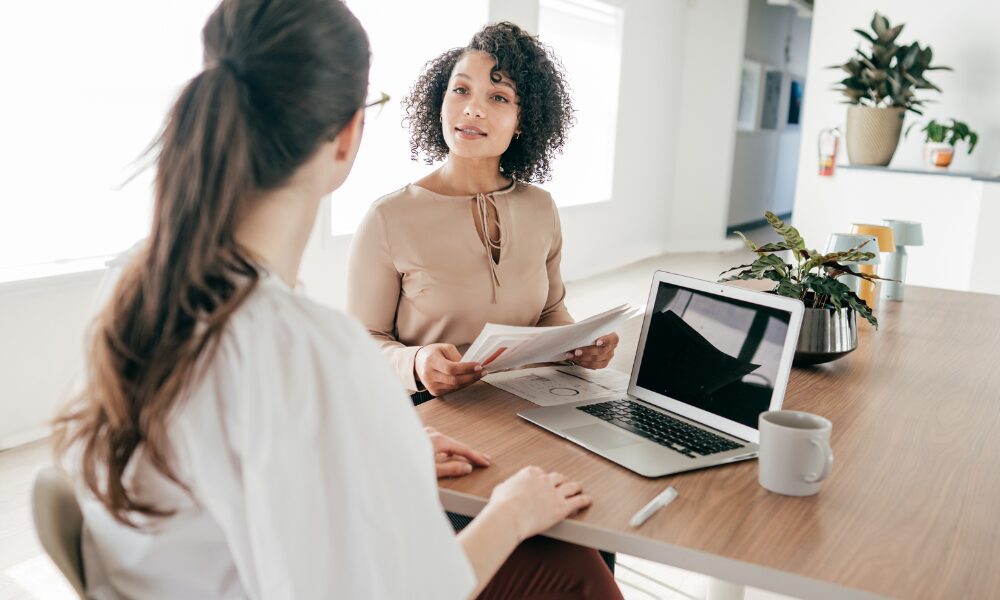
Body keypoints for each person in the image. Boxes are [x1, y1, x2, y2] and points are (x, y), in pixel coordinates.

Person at [53, 1, 622, 598]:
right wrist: (509, 511)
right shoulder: (307, 346)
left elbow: (248, 471)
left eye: (499, 96)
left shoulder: (131, 280)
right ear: (348, 134)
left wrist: (371, 453)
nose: (475, 107)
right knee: (574, 562)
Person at [348, 22, 619, 403]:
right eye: (461, 90)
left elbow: (550, 312)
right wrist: (417, 361)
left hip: (527, 398)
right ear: (440, 104)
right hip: (429, 409)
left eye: (499, 97)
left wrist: (580, 344)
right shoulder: (388, 217)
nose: (473, 108)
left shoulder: (541, 207)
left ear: (522, 121)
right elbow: (362, 342)